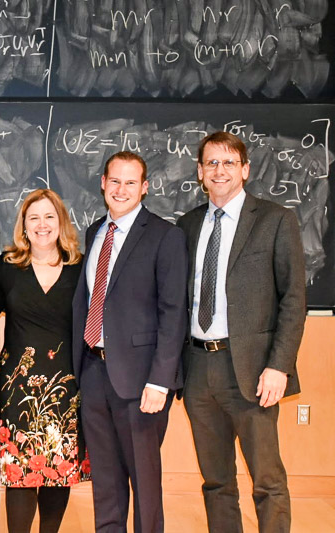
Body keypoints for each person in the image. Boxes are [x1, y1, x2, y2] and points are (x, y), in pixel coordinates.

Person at [177, 131, 305, 533]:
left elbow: (293, 299)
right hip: (198, 368)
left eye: (229, 162)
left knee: (267, 481)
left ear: (245, 169)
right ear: (200, 172)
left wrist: (279, 366)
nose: (220, 171)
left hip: (253, 371)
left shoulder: (275, 220)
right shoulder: (187, 224)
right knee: (216, 482)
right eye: (211, 163)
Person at [72, 151, 187, 532]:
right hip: (93, 372)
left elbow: (173, 313)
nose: (121, 189)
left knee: (144, 483)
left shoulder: (165, 236)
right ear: (103, 183)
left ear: (145, 188)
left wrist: (160, 380)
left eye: (131, 182)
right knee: (105, 481)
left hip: (141, 381)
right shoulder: (94, 232)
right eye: (115, 181)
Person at [0, 189, 90, 533]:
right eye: (34, 217)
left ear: (61, 222)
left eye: (49, 216)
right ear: (24, 225)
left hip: (67, 388)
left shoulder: (81, 268)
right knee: (19, 473)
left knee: (57, 472)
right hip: (18, 390)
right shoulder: (6, 267)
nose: (42, 224)